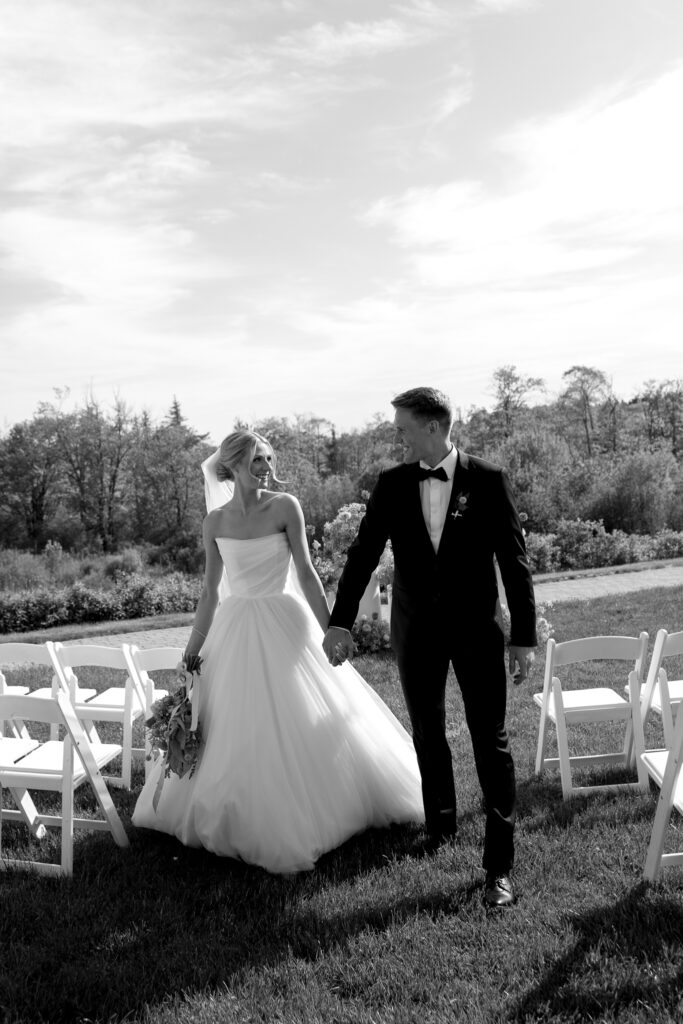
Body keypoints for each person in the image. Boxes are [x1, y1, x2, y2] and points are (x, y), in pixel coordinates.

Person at [132, 429, 424, 873]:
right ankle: (233, 809)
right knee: (232, 720)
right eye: (256, 461)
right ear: (231, 467)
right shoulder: (215, 523)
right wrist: (193, 648)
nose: (266, 469)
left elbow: (306, 574)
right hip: (234, 625)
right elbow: (210, 592)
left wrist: (333, 629)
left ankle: (319, 805)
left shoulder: (285, 507)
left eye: (268, 459)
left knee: (296, 711)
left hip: (285, 623)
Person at [323, 387, 536, 907]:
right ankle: (440, 825)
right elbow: (362, 553)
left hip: (476, 630)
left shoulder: (488, 481)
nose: (397, 436)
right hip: (416, 630)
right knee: (426, 731)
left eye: (403, 427)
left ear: (434, 426)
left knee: (492, 740)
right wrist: (340, 621)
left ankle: (499, 868)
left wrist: (523, 637)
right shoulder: (393, 483)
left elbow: (514, 561)